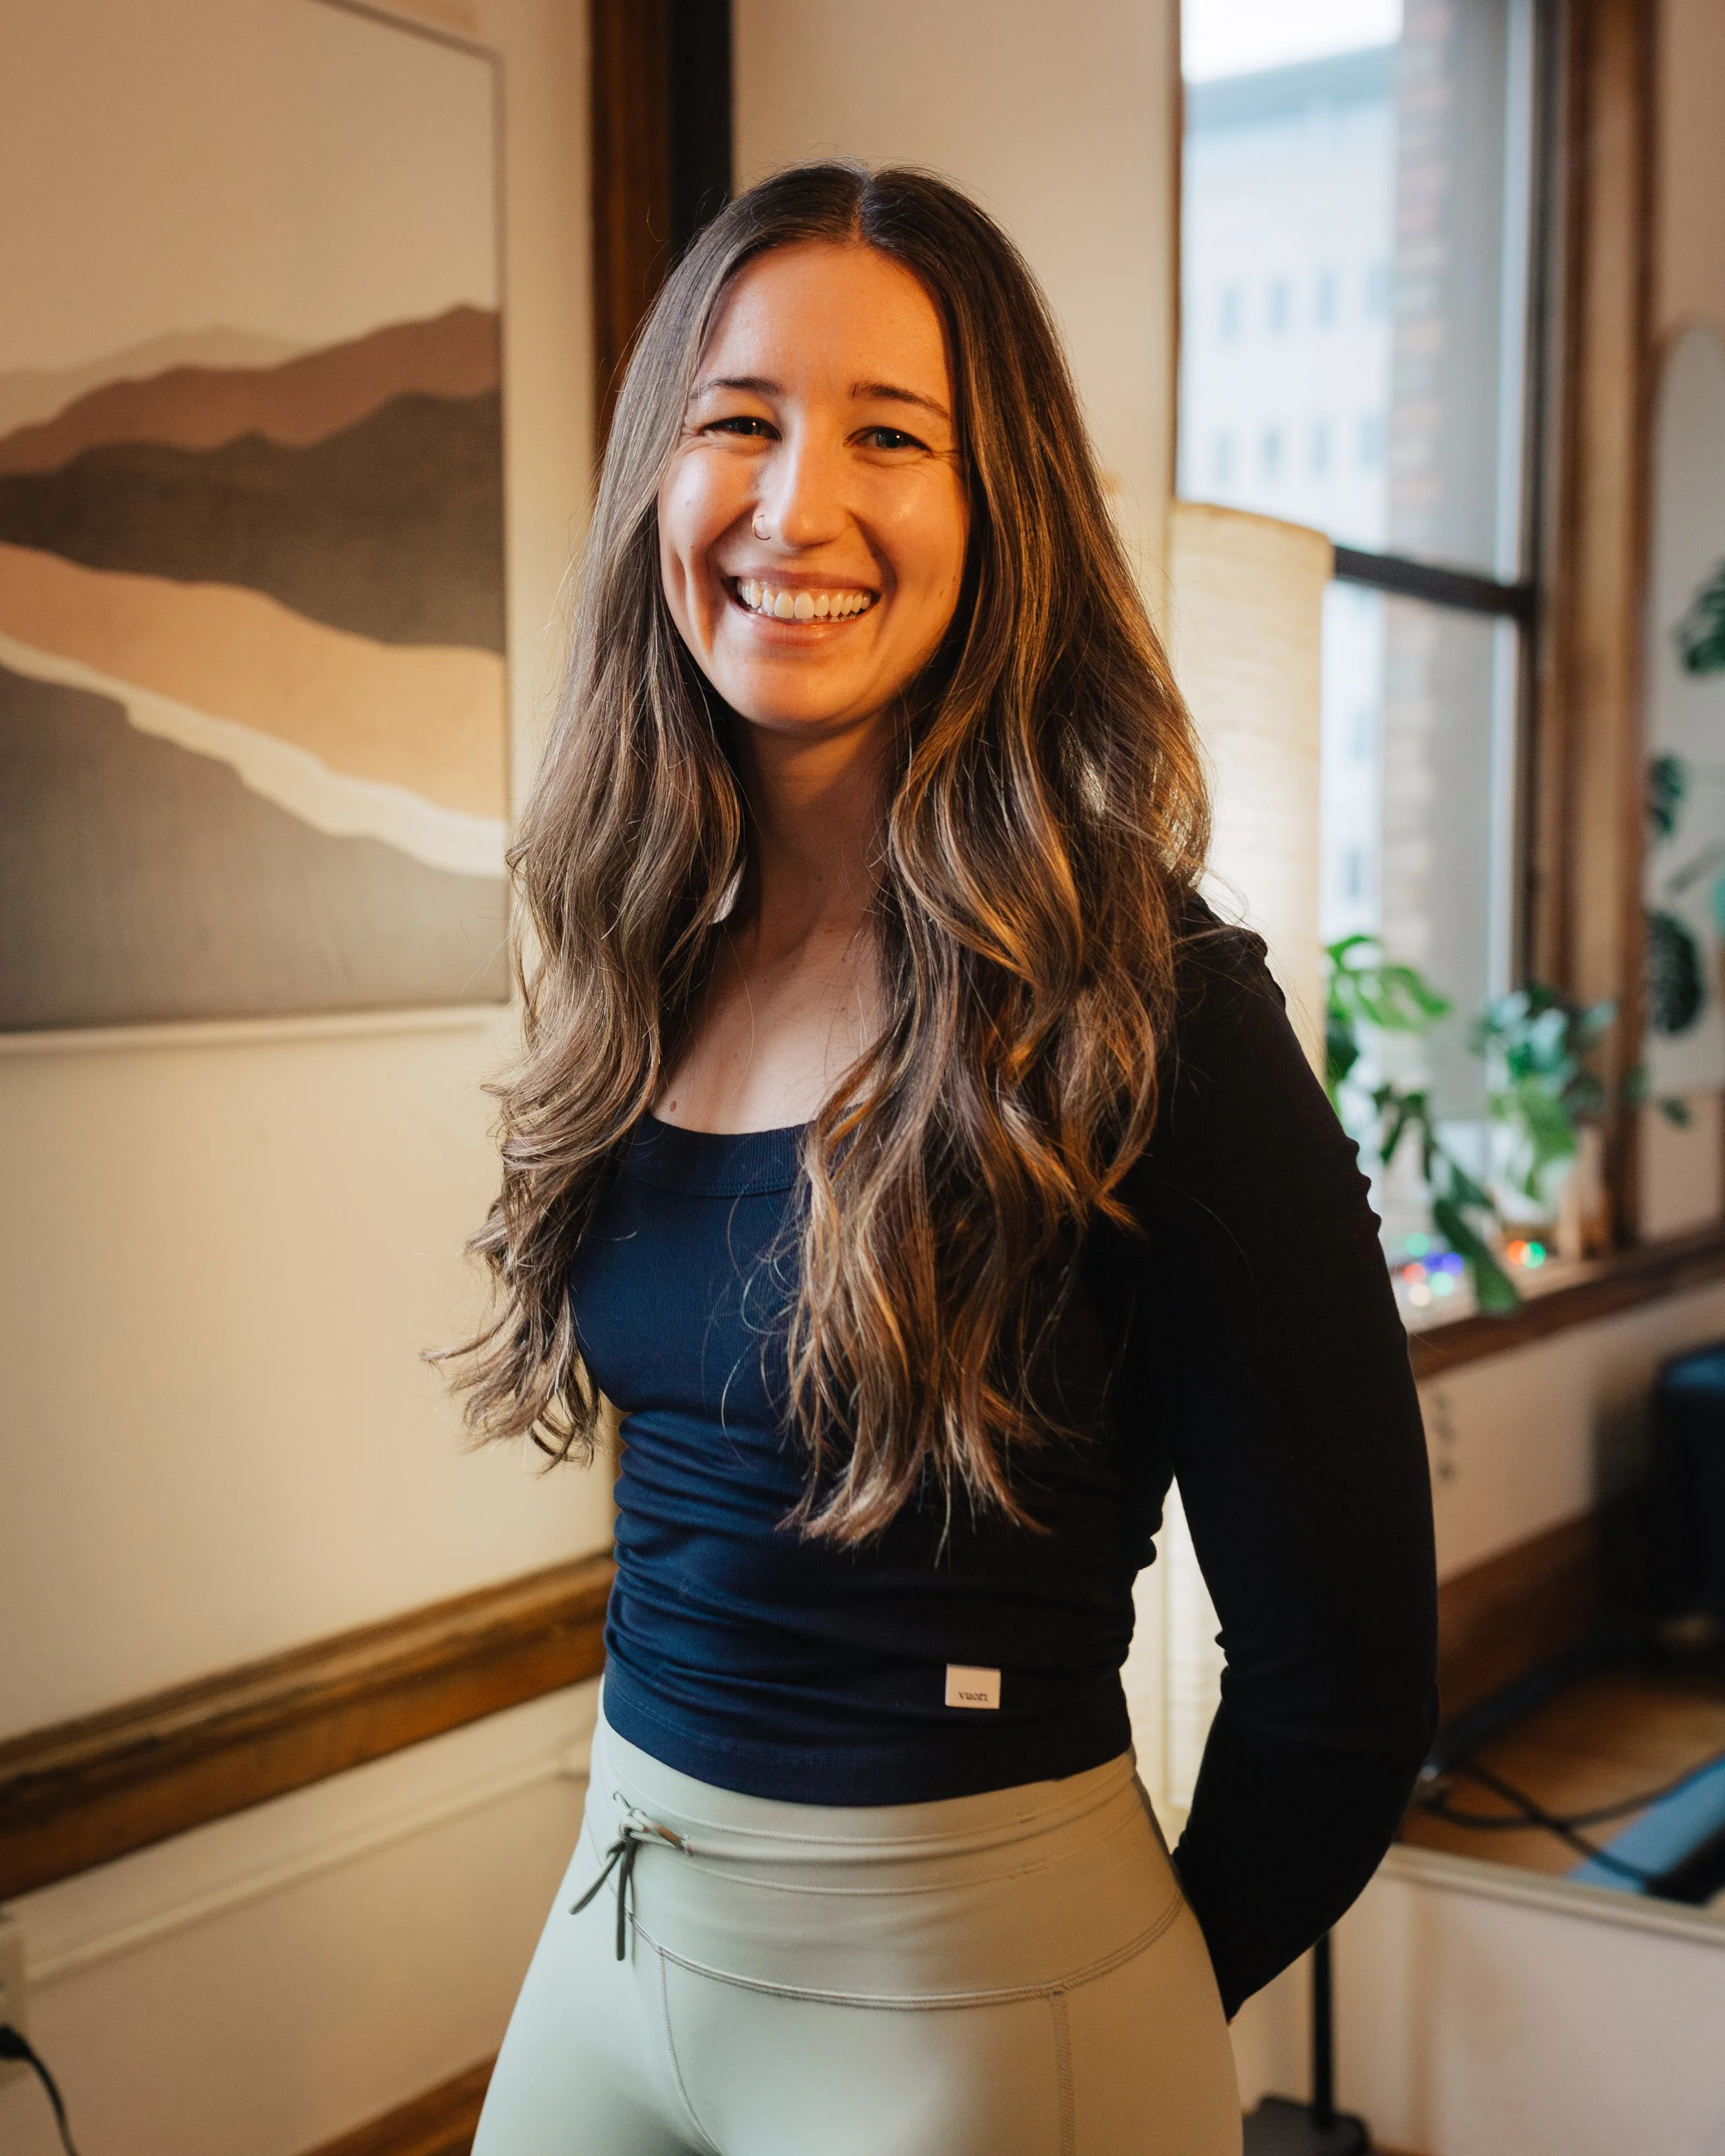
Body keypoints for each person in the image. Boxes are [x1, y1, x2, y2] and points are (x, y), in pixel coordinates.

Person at [455, 161, 1437, 2156]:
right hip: (613, 1929)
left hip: (974, 2012)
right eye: (735, 420)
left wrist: (1104, 1997)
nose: (791, 504)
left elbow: (1343, 1676)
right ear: (658, 472)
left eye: (888, 436)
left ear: (1004, 516)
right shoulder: (646, 948)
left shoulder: (1152, 1002)